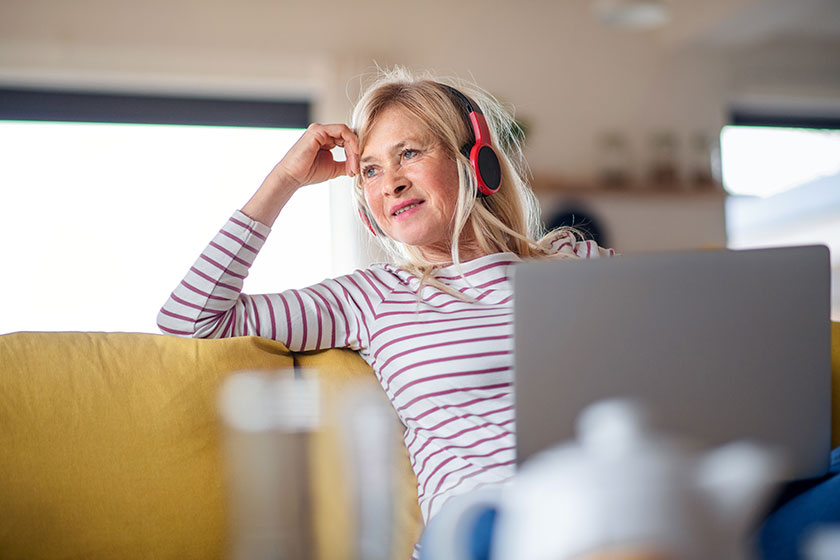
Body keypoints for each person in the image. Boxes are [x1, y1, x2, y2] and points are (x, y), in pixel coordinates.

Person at [157, 67, 614, 554]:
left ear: (476, 161)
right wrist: (285, 179)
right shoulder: (371, 297)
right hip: (479, 533)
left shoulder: (577, 262)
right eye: (371, 170)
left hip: (600, 516)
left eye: (409, 154)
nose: (390, 183)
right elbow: (191, 317)